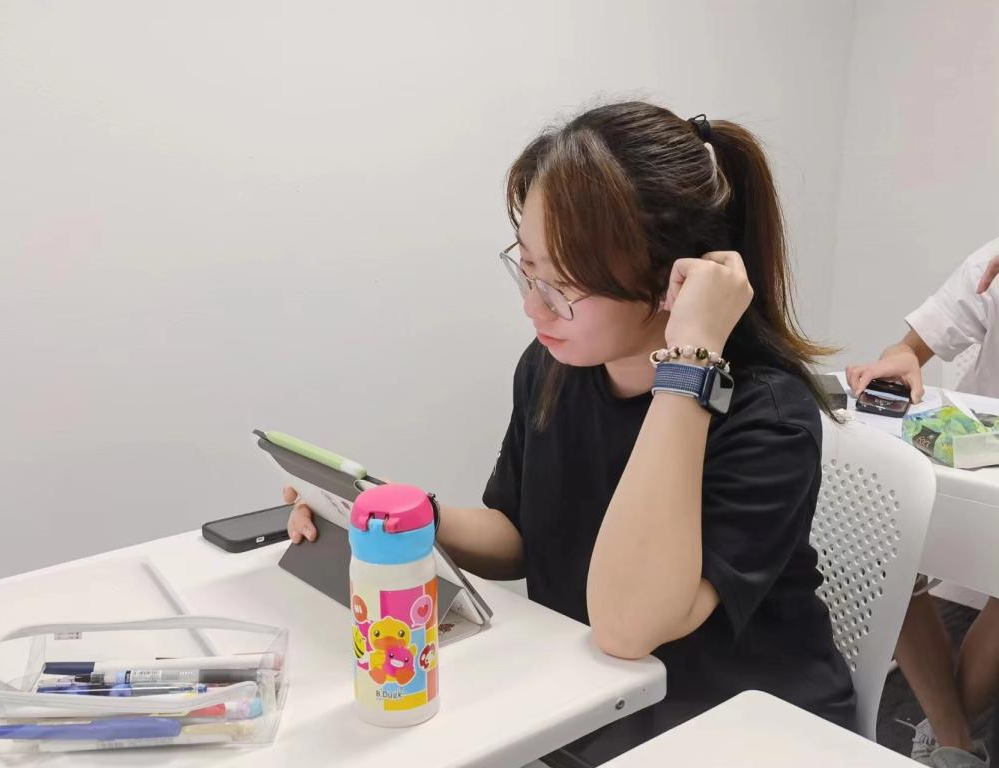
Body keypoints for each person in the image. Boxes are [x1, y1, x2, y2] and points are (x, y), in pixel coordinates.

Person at [286, 101, 855, 764]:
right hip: (597, 706)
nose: (533, 306)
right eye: (528, 270)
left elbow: (629, 628)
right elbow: (518, 536)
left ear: (673, 281)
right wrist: (407, 517)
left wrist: (690, 366)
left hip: (745, 729)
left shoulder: (769, 416)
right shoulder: (553, 368)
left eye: (563, 287)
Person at [847, 236, 999, 768]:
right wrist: (898, 363)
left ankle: (951, 741)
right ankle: (954, 738)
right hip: (966, 460)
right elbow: (908, 349)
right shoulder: (992, 264)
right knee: (885, 542)